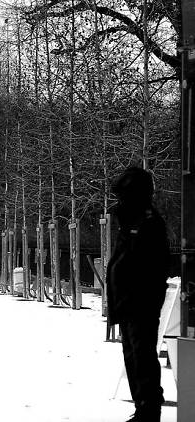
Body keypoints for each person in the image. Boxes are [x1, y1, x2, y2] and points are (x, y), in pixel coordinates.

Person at [106, 167, 169, 422]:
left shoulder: (147, 222)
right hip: (129, 302)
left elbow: (151, 265)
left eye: (123, 196)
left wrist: (136, 295)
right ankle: (142, 406)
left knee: (142, 357)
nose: (119, 202)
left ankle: (148, 409)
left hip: (140, 302)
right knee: (133, 356)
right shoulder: (132, 220)